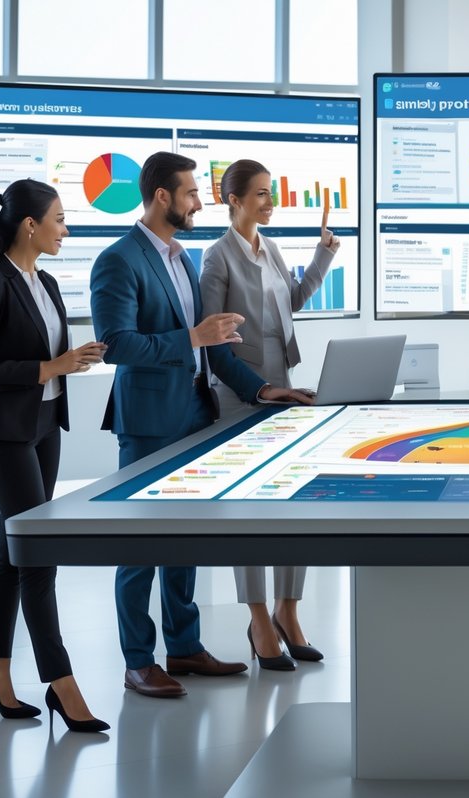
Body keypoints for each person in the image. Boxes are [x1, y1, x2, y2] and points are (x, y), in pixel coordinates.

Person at [90, 151, 313, 698]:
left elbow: (213, 347)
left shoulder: (183, 259)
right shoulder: (118, 260)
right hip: (147, 419)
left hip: (194, 411)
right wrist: (191, 339)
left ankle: (184, 647)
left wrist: (263, 389)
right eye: (190, 192)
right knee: (140, 544)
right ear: (162, 196)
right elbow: (115, 345)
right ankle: (138, 660)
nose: (198, 201)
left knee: (183, 538)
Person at [0, 179, 109, 733]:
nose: (65, 230)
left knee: (11, 552)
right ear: (30, 225)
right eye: (60, 220)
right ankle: (62, 682)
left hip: (46, 426)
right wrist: (51, 368)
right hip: (8, 433)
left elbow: (48, 354)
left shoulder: (44, 280)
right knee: (38, 554)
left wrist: (76, 359)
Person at [200, 158, 337, 670]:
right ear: (233, 200)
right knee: (250, 511)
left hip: (286, 388)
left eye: (270, 192)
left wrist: (322, 255)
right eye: (259, 194)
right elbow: (214, 344)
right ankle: (258, 617)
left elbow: (294, 301)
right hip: (243, 393)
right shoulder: (218, 258)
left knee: (291, 503)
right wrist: (259, 389)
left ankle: (289, 609)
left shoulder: (272, 248)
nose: (269, 201)